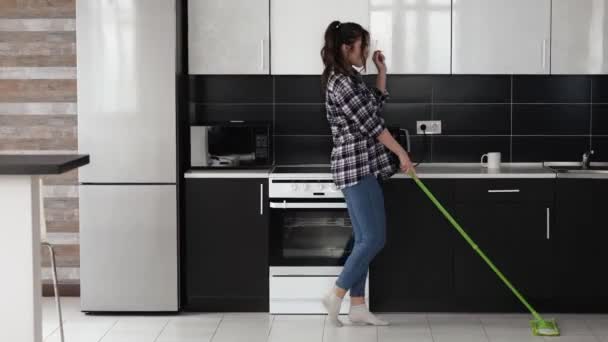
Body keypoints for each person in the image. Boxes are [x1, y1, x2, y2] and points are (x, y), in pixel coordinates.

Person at [320, 20, 415, 327]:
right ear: (348, 47)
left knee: (364, 238)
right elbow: (374, 127)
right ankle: (336, 293)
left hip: (362, 165)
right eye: (362, 45)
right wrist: (402, 153)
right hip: (355, 166)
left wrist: (382, 72)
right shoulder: (342, 83)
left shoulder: (349, 79)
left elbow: (373, 107)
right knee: (374, 238)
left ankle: (358, 305)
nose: (366, 50)